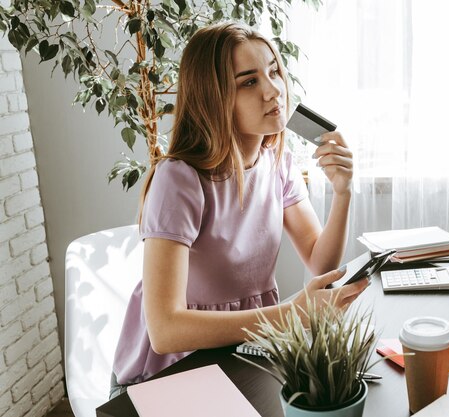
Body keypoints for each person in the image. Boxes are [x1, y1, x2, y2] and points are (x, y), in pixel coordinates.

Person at [110, 21, 366, 397]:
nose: (272, 90)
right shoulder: (179, 180)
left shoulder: (277, 163)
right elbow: (165, 331)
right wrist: (292, 313)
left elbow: (320, 262)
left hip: (245, 354)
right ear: (213, 97)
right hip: (169, 373)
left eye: (273, 71)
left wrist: (343, 192)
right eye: (248, 82)